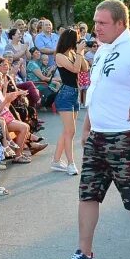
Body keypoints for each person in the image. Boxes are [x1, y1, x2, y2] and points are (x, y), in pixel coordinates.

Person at [59, 0, 130, 259]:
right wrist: (87, 128)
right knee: (88, 193)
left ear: (121, 23)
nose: (96, 27)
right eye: (95, 22)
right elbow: (98, 92)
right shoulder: (105, 50)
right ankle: (84, 252)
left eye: (102, 23)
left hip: (126, 136)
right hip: (99, 135)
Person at [50, 28, 88, 175]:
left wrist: (80, 53)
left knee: (67, 131)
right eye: (76, 39)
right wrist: (78, 52)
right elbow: (74, 69)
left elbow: (85, 68)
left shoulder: (73, 53)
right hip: (65, 94)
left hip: (74, 93)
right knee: (70, 131)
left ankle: (56, 160)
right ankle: (71, 163)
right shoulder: (59, 56)